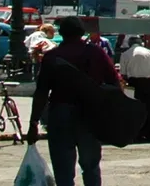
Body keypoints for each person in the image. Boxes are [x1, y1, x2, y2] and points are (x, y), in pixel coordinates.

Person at [27, 17, 124, 186]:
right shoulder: (96, 53)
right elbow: (114, 84)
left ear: (61, 33)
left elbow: (41, 92)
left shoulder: (52, 57)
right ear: (82, 32)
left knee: (63, 171)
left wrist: (33, 122)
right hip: (90, 115)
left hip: (60, 115)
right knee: (91, 166)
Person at [120, 34, 150, 141]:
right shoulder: (149, 52)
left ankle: (137, 133)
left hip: (134, 83)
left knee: (135, 109)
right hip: (149, 83)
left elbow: (123, 74)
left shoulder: (125, 54)